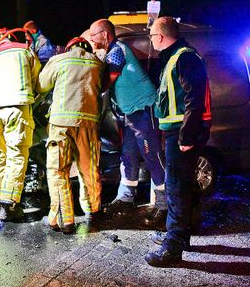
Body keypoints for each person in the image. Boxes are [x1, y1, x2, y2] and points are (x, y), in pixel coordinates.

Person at [144, 16, 212, 267]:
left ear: (160, 36)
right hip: (177, 130)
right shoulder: (177, 57)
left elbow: (194, 99)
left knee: (176, 186)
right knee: (182, 184)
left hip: (181, 132)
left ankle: (173, 246)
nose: (151, 40)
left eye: (152, 35)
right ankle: (180, 235)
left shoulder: (185, 57)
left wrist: (187, 136)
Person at [88, 19, 165, 214]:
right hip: (130, 113)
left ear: (105, 35)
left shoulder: (116, 51)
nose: (91, 39)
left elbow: (106, 82)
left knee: (151, 155)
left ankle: (164, 204)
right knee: (128, 154)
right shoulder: (112, 51)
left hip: (143, 110)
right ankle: (126, 197)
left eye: (93, 35)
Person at [36, 37, 104, 233]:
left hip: (61, 124)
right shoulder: (98, 63)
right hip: (89, 124)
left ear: (69, 47)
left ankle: (64, 220)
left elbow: (41, 85)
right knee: (89, 169)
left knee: (58, 170)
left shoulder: (59, 59)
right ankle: (93, 212)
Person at [0, 29, 41, 221]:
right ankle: (10, 205)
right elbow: (36, 79)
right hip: (17, 108)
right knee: (16, 155)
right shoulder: (25, 50)